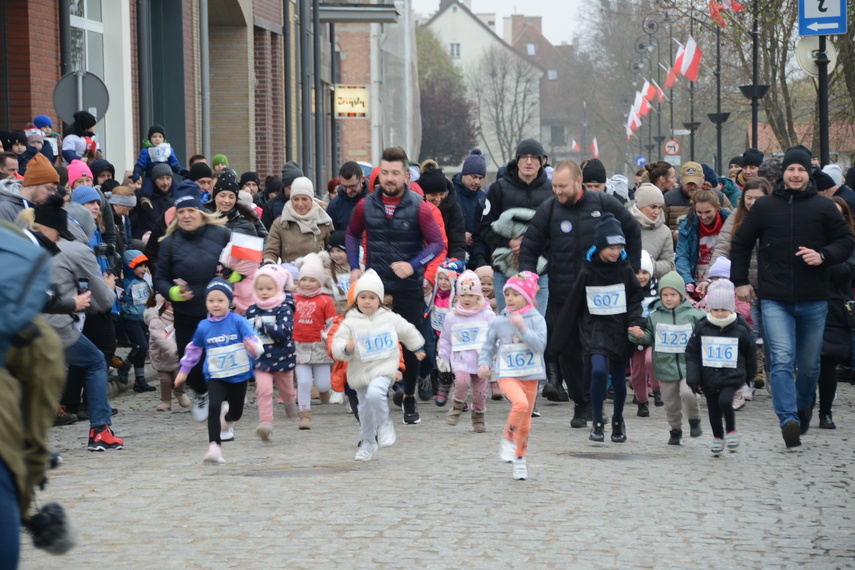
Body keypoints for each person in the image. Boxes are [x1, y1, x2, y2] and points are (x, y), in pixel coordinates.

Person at [731, 145, 855, 448]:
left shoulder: (823, 207)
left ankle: (802, 409)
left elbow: (847, 240)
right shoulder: (765, 207)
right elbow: (741, 242)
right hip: (775, 298)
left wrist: (824, 255)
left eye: (801, 169)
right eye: (791, 169)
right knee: (783, 359)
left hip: (814, 298)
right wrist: (740, 281)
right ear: (783, 173)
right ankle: (787, 418)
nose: (796, 174)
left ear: (808, 173)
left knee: (810, 365)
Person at [519, 160, 641, 426]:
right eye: (554, 186)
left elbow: (631, 231)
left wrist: (629, 271)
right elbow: (529, 248)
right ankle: (581, 403)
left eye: (562, 186)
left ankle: (593, 399)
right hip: (565, 295)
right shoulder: (549, 210)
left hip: (601, 297)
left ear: (578, 182)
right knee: (567, 351)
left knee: (597, 350)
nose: (558, 192)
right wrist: (528, 280)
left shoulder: (603, 204)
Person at [345, 146, 446, 425]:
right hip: (376, 289)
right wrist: (355, 266)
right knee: (373, 343)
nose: (389, 178)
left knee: (412, 343)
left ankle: (410, 397)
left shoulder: (419, 206)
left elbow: (437, 244)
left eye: (395, 173)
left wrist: (413, 265)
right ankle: (374, 396)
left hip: (408, 286)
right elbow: (352, 235)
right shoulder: (366, 204)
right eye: (385, 173)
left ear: (405, 175)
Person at [553, 213, 644, 443]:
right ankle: (597, 419)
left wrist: (635, 322)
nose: (615, 252)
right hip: (593, 329)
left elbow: (635, 298)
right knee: (597, 371)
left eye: (619, 247)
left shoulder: (625, 269)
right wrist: (558, 341)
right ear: (600, 245)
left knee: (617, 376)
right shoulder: (587, 271)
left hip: (620, 330)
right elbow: (573, 304)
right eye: (611, 247)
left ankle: (618, 419)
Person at [154, 182, 231, 422]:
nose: (186, 215)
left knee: (219, 357)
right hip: (187, 312)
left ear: (201, 211)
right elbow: (160, 278)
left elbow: (242, 266)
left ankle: (221, 397)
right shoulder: (169, 243)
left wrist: (230, 278)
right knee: (191, 360)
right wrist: (174, 293)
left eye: (191, 211)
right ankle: (202, 392)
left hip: (219, 311)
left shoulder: (222, 234)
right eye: (181, 212)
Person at [331, 269, 426, 460]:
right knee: (364, 409)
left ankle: (384, 423)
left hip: (384, 367)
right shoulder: (350, 321)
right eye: (363, 297)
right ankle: (368, 442)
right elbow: (336, 343)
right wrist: (346, 348)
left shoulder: (389, 317)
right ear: (356, 300)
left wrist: (417, 347)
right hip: (359, 372)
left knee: (376, 392)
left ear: (380, 300)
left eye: (372, 297)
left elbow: (407, 330)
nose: (367, 301)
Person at [175, 278, 263, 464]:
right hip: (216, 375)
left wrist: (252, 348)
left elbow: (256, 342)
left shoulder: (239, 321)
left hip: (238, 375)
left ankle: (229, 417)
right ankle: (214, 447)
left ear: (229, 302)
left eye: (220, 300)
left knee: (236, 412)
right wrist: (184, 371)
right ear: (206, 302)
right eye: (211, 301)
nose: (215, 304)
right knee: (213, 406)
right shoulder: (204, 326)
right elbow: (193, 349)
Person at [478, 271, 546, 481]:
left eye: (515, 294)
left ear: (527, 296)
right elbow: (488, 345)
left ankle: (519, 459)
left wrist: (523, 328)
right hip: (507, 373)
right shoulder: (500, 321)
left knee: (525, 424)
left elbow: (540, 346)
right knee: (520, 403)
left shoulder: (537, 319)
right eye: (506, 294)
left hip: (530, 375)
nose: (509, 299)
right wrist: (484, 363)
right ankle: (507, 439)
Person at [631, 270, 706, 444]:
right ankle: (675, 430)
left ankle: (694, 419)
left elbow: (706, 334)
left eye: (673, 294)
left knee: (689, 393)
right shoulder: (655, 316)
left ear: (681, 295)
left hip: (688, 366)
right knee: (671, 404)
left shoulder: (695, 316)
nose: (669, 298)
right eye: (665, 294)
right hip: (665, 367)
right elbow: (649, 336)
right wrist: (638, 334)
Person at [480, 139, 554, 312]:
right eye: (525, 157)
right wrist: (509, 243)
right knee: (507, 327)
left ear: (542, 161)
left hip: (540, 271)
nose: (529, 162)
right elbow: (484, 228)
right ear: (517, 160)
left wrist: (532, 246)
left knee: (536, 328)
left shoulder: (551, 191)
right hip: (504, 272)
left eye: (534, 157)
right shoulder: (498, 189)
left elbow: (555, 231)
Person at [685, 279, 755, 456]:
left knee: (725, 401)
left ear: (731, 309)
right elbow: (692, 353)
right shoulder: (702, 327)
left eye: (724, 310)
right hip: (708, 376)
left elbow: (750, 353)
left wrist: (749, 375)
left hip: (732, 375)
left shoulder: (740, 328)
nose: (720, 314)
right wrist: (693, 376)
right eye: (716, 310)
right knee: (714, 411)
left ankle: (731, 430)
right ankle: (717, 437)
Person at [436, 269, 496, 431]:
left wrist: (494, 355)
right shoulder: (452, 317)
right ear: (457, 296)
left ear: (479, 296)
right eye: (463, 295)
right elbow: (446, 339)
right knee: (461, 382)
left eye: (471, 295)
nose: (467, 299)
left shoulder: (487, 315)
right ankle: (457, 405)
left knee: (481, 392)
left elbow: (495, 336)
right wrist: (443, 358)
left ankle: (478, 416)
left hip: (481, 361)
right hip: (461, 359)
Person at [246, 264, 298, 439]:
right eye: (260, 288)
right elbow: (248, 333)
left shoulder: (285, 307)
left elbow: (285, 333)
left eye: (269, 288)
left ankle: (290, 402)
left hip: (283, 357)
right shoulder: (252, 309)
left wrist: (264, 326)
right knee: (264, 390)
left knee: (287, 391)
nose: (264, 292)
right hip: (262, 359)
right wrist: (248, 343)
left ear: (279, 287)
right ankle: (266, 423)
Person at [816, 196, 855, 430]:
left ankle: (825, 411)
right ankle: (804, 405)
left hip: (834, 306)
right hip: (808, 301)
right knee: (808, 362)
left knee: (827, 360)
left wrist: (825, 255)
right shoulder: (809, 237)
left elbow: (845, 273)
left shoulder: (848, 242)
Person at [293, 252, 337, 429]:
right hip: (299, 346)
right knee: (303, 382)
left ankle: (325, 391)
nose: (307, 284)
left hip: (320, 347)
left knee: (323, 383)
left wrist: (330, 336)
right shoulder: (293, 299)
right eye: (304, 280)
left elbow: (332, 323)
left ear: (319, 282)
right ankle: (305, 415)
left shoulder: (325, 300)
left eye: (312, 280)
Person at [264, 176, 332, 264]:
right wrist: (269, 267)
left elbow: (332, 251)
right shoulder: (280, 223)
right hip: (290, 274)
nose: (300, 204)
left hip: (317, 274)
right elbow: (271, 251)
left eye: (304, 199)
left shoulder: (324, 222)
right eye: (296, 199)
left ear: (311, 199)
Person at [426, 258, 467, 406]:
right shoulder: (434, 296)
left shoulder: (460, 299)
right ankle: (443, 387)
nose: (443, 282)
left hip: (456, 339)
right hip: (439, 337)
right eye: (440, 278)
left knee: (458, 368)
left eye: (447, 279)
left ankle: (460, 397)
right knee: (442, 363)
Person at [675, 190, 729, 294]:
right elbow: (682, 256)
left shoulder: (729, 222)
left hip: (723, 283)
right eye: (699, 212)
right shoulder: (687, 227)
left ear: (717, 207)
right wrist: (687, 281)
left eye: (708, 212)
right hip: (695, 282)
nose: (703, 217)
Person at [144, 297, 190, 411]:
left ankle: (178, 392)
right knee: (165, 380)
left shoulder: (181, 318)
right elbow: (160, 339)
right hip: (162, 356)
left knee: (180, 376)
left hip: (178, 358)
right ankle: (166, 401)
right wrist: (175, 350)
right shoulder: (156, 320)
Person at [418, 161, 467, 260]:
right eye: (433, 195)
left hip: (447, 260)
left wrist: (454, 263)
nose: (438, 198)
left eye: (441, 194)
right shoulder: (416, 208)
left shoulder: (454, 209)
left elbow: (457, 243)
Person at [630, 183, 675, 279]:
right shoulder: (624, 225)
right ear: (640, 205)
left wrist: (649, 265)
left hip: (652, 287)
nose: (657, 212)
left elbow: (669, 263)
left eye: (659, 207)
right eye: (653, 207)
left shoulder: (665, 232)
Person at [206, 170, 266, 237]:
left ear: (236, 199)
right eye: (222, 196)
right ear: (214, 196)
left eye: (231, 197)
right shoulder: (203, 218)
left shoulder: (246, 221)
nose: (226, 200)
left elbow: (262, 241)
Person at [0, 153, 59, 222]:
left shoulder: (43, 207)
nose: (52, 194)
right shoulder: (5, 208)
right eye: (49, 189)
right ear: (32, 184)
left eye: (55, 190)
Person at [131, 125, 189, 194]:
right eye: (154, 136)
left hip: (166, 176)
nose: (157, 139)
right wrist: (137, 172)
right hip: (151, 176)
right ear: (150, 139)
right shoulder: (146, 151)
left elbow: (174, 165)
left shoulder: (169, 150)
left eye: (160, 136)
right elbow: (141, 164)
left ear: (163, 139)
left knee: (177, 189)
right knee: (147, 190)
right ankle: (145, 201)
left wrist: (183, 171)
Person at [326, 161, 367, 231]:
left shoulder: (375, 200)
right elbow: (329, 235)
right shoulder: (334, 206)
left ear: (362, 179)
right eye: (344, 186)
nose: (348, 191)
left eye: (352, 186)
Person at [261, 162, 304, 229]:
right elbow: (265, 232)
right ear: (284, 186)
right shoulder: (271, 206)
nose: (293, 191)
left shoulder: (312, 203)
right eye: (289, 188)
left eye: (296, 187)